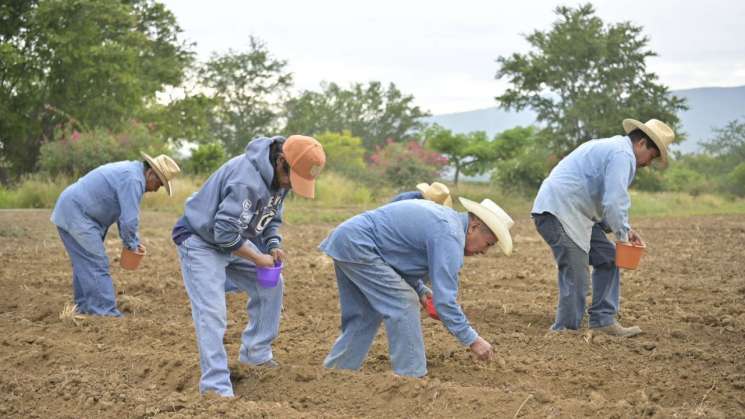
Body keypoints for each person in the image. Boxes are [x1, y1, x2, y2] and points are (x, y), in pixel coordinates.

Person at [172, 135, 325, 397]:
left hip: (234, 239)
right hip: (200, 241)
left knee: (272, 284)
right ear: (280, 161)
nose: (290, 185)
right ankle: (216, 388)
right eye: (291, 178)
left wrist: (273, 243)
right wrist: (257, 257)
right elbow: (223, 233)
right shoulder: (246, 180)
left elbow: (271, 218)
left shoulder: (280, 180)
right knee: (212, 311)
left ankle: (256, 353)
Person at [319, 196, 514, 377]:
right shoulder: (450, 235)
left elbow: (397, 253)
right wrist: (473, 340)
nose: (485, 252)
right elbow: (445, 302)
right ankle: (411, 377)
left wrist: (420, 289)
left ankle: (337, 373)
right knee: (403, 302)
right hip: (360, 245)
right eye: (488, 244)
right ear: (474, 226)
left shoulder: (447, 223)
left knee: (365, 315)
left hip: (349, 240)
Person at [531, 118, 675, 337]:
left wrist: (625, 230)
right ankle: (564, 333)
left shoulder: (614, 149)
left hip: (575, 212)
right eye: (652, 156)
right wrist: (623, 235)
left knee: (607, 257)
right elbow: (614, 202)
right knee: (576, 272)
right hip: (558, 211)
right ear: (642, 144)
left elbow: (601, 199)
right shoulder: (622, 155)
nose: (647, 163)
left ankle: (603, 321)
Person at [51, 152, 181, 316]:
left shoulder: (132, 173)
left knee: (85, 263)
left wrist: (131, 241)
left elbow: (123, 216)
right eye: (159, 183)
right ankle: (104, 312)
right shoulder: (133, 180)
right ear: (150, 173)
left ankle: (84, 307)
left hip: (75, 211)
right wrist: (131, 245)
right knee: (96, 262)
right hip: (78, 214)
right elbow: (128, 221)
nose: (156, 189)